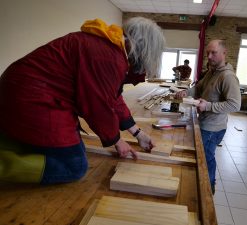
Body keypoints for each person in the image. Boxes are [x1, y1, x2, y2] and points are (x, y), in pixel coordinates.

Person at [0, 17, 165, 184]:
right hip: (32, 98)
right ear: (145, 48)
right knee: (74, 166)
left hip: (25, 91)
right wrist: (117, 140)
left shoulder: (109, 46)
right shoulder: (108, 56)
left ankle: (8, 139)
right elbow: (97, 105)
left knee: (69, 148)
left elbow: (112, 97)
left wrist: (138, 134)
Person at [175, 40, 241, 194]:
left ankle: (208, 189)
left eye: (213, 53)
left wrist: (208, 106)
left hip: (213, 128)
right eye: (207, 53)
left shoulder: (228, 77)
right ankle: (204, 184)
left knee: (206, 158)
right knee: (203, 156)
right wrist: (187, 92)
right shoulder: (212, 72)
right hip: (204, 122)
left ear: (224, 53)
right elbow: (198, 88)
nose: (209, 57)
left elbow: (235, 105)